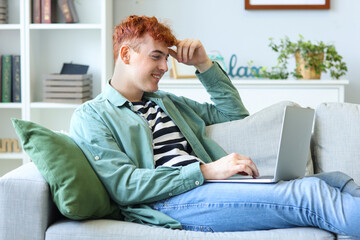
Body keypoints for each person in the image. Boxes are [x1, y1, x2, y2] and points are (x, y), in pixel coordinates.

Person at [70, 15, 360, 237]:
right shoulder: (92, 116)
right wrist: (208, 170)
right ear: (125, 55)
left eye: (166, 58)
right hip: (169, 201)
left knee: (334, 180)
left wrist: (204, 65)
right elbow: (125, 186)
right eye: (156, 56)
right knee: (310, 195)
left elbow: (233, 113)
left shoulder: (165, 102)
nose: (164, 67)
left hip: (206, 187)